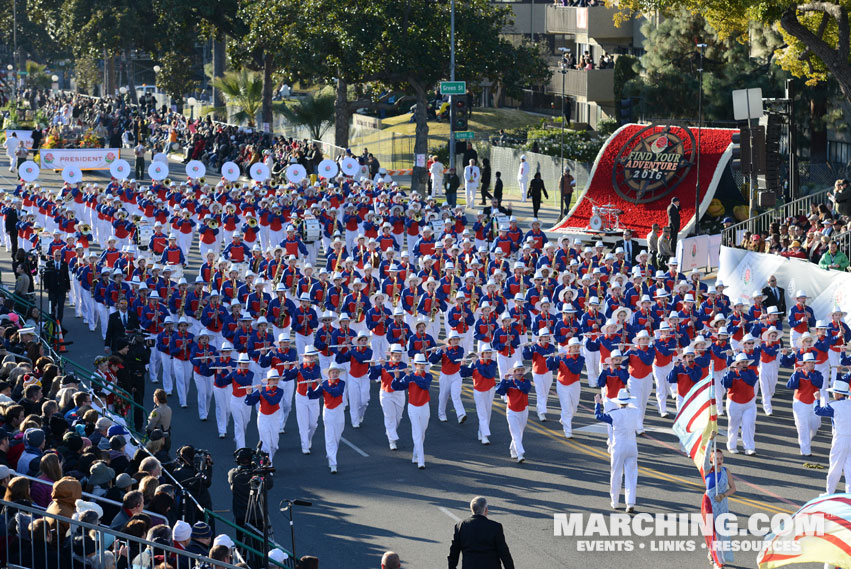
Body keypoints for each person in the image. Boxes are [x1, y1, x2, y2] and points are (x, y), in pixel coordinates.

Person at [594, 389, 640, 512]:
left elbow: (598, 416)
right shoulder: (635, 412)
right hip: (632, 445)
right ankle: (630, 502)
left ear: (619, 402)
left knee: (616, 474)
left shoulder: (614, 414)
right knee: (631, 474)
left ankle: (615, 501)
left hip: (619, 446)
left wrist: (597, 403)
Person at [448, 496, 514, 569]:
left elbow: (454, 551)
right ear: (486, 510)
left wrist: (452, 567)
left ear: (472, 509)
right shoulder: (495, 527)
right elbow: (504, 553)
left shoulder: (460, 526)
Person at [307, 361, 346, 473]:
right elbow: (312, 396)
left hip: (339, 411)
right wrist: (309, 387)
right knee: (330, 437)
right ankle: (333, 463)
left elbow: (336, 393)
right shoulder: (324, 384)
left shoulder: (341, 383)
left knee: (336, 436)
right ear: (329, 374)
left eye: (336, 372)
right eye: (333, 372)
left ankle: (331, 456)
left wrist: (323, 385)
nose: (334, 374)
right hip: (328, 411)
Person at [815, 379, 851, 494]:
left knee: (835, 465)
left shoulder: (833, 405)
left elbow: (818, 411)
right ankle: (849, 494)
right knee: (849, 467)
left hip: (840, 438)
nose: (833, 394)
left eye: (835, 392)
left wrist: (817, 399)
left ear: (839, 394)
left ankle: (830, 492)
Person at [704, 448, 736, 569]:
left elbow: (733, 488)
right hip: (709, 505)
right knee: (713, 531)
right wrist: (710, 441)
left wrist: (723, 495)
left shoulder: (725, 471)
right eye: (716, 458)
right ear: (711, 459)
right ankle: (716, 560)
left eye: (721, 458)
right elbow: (705, 457)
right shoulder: (707, 470)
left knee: (722, 531)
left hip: (722, 504)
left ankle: (717, 556)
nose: (719, 461)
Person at [43, 248, 71, 322]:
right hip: (52, 288)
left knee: (61, 306)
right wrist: (46, 287)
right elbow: (46, 277)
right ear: (53, 256)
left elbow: (66, 276)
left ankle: (59, 322)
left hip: (61, 289)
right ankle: (52, 320)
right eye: (56, 256)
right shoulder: (49, 264)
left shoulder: (64, 264)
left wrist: (68, 287)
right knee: (51, 305)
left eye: (59, 256)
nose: (58, 257)